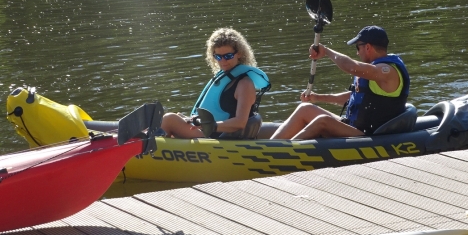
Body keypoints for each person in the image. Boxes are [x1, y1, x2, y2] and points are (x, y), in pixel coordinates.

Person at [270, 26, 410, 140]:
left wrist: (326, 52)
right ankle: (270, 146)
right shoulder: (373, 70)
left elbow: (352, 67)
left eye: (358, 48)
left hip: (368, 135)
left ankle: (282, 153)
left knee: (323, 121)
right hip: (354, 126)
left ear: (368, 47)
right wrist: (317, 98)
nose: (357, 53)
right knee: (305, 108)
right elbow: (354, 96)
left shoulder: (387, 71)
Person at [160, 28, 270, 138]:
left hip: (218, 139)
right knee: (163, 123)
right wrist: (192, 120)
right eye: (218, 57)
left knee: (170, 119)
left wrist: (210, 125)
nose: (222, 61)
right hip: (209, 132)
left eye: (228, 56)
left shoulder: (244, 84)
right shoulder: (225, 77)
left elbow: (240, 123)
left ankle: (149, 149)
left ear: (239, 54)